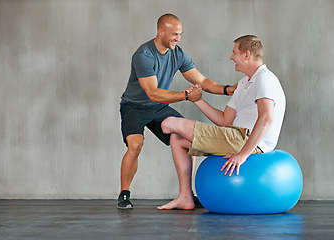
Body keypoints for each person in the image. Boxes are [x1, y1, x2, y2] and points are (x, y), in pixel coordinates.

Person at [118, 13, 237, 209]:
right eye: (174, 34)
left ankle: (186, 195)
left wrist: (226, 89)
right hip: (135, 106)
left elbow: (203, 81)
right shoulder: (144, 56)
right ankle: (124, 194)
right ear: (160, 31)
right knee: (135, 145)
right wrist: (185, 96)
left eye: (180, 34)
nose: (178, 39)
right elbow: (153, 93)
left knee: (185, 140)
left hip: (159, 108)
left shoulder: (178, 54)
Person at [157, 35, 286, 210]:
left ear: (247, 55)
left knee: (168, 123)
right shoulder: (243, 83)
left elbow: (266, 118)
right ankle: (185, 197)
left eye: (235, 53)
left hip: (249, 140)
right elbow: (224, 120)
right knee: (177, 139)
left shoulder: (265, 78)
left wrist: (243, 155)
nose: (231, 57)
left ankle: (186, 197)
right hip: (234, 134)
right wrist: (197, 100)